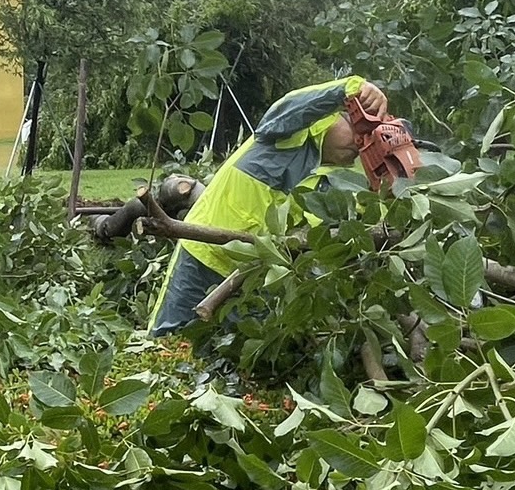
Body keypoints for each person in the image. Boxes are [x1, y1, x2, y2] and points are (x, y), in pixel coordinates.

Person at [148, 76, 388, 337]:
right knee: (167, 340)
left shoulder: (332, 181)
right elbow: (293, 105)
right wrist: (351, 88)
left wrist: (386, 189)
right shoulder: (289, 129)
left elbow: (339, 232)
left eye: (366, 138)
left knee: (231, 358)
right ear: (335, 116)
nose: (358, 142)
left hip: (252, 277)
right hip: (203, 251)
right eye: (357, 129)